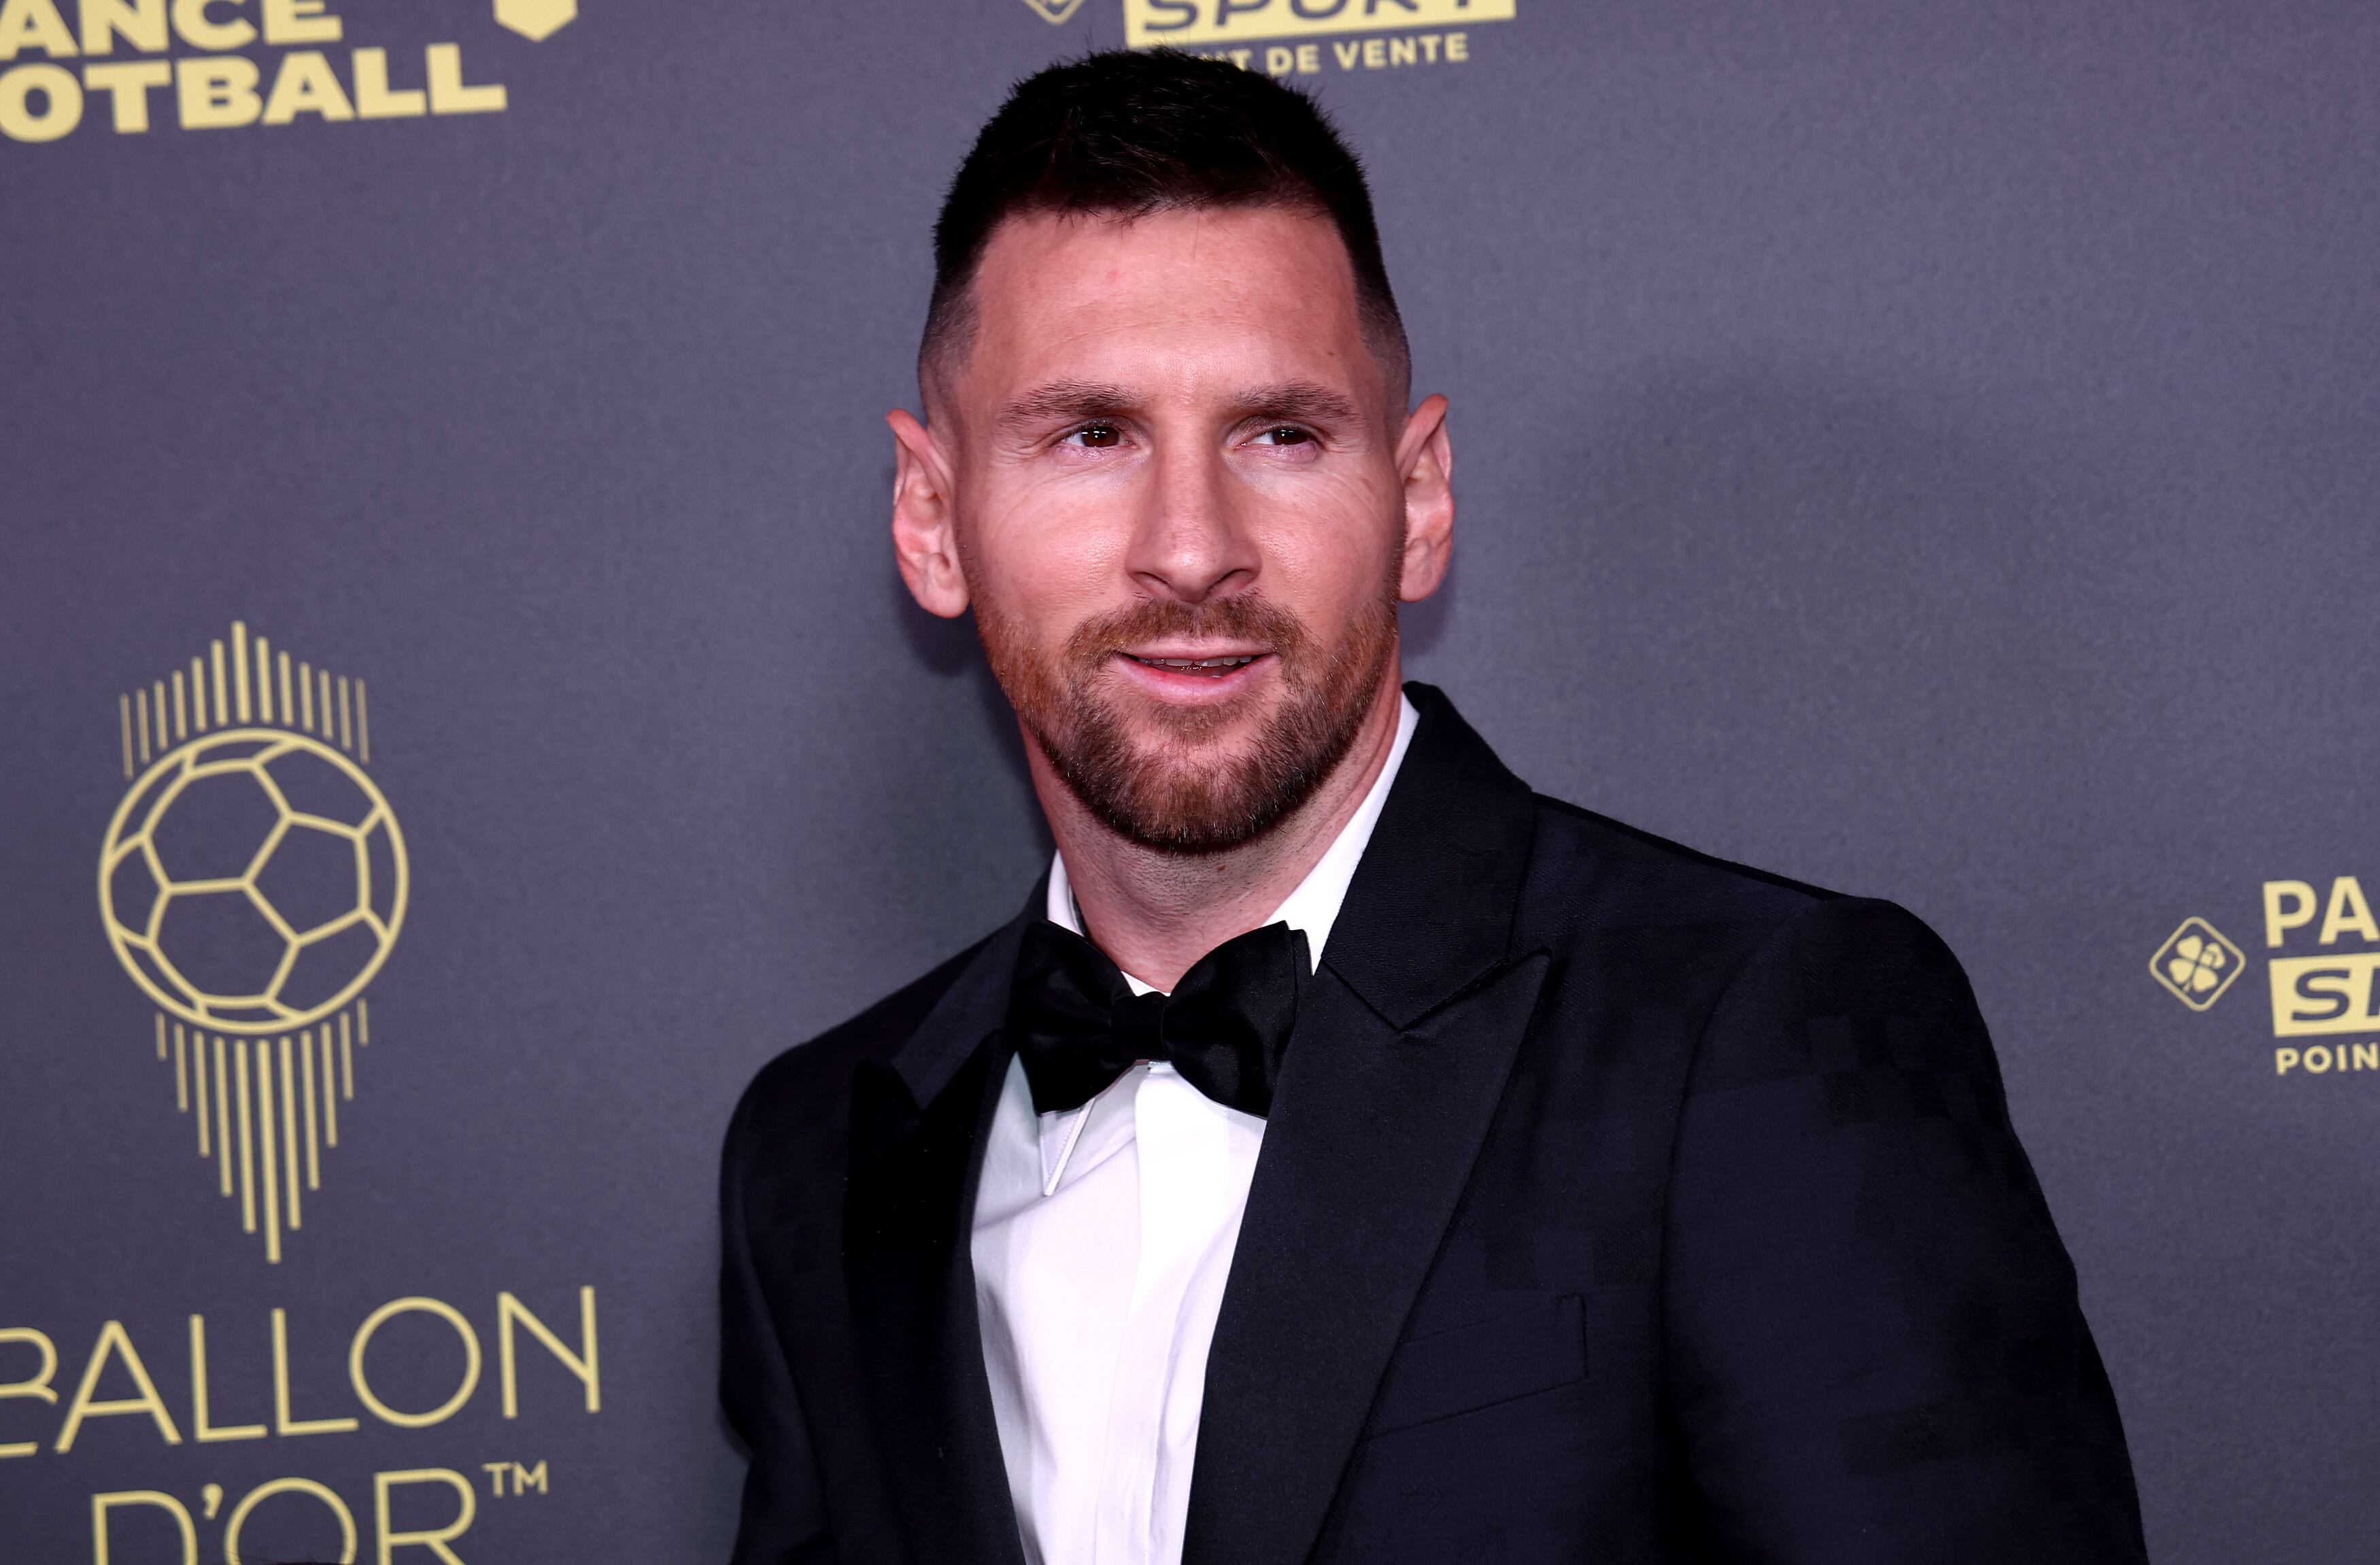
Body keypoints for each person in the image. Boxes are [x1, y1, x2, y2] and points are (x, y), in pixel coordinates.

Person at [719, 48, 2147, 1565]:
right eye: (1091, 435)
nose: (1190, 549)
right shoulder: (821, 1149)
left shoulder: (1751, 1036)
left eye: (1279, 434)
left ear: (1421, 497)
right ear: (932, 521)